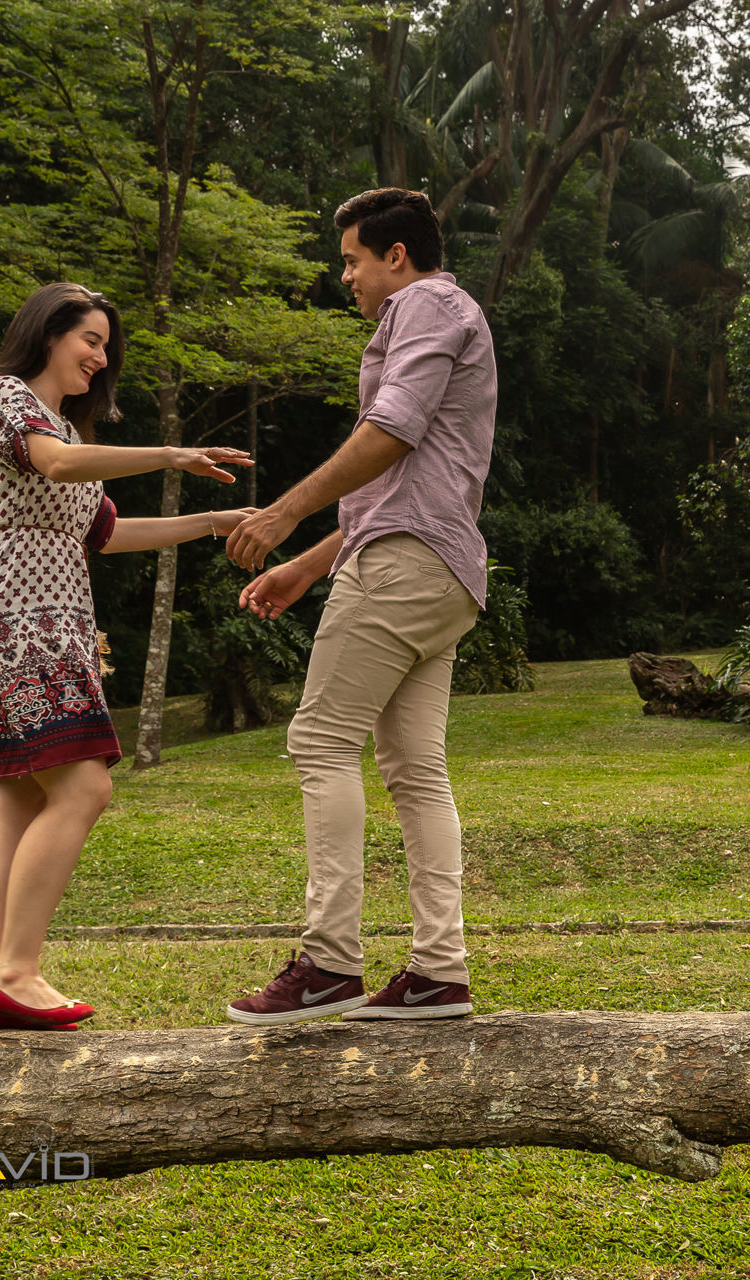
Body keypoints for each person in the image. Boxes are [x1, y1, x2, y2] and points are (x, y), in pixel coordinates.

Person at [0, 282, 255, 1030]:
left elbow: (107, 533)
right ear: (47, 333)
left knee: (18, 805)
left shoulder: (66, 433)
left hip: (26, 623)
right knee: (83, 789)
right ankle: (16, 970)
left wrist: (213, 522)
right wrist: (171, 454)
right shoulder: (6, 399)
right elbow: (53, 466)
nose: (99, 356)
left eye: (105, 345)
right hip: (17, 624)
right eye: (89, 339)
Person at [223, 187, 494, 1026]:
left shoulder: (424, 303)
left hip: (408, 564)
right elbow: (401, 483)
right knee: (414, 770)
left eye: (351, 260)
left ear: (396, 256)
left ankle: (331, 963)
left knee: (320, 739)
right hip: (439, 568)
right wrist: (307, 566)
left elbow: (392, 433)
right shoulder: (438, 312)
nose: (346, 276)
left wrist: (284, 511)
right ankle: (439, 974)